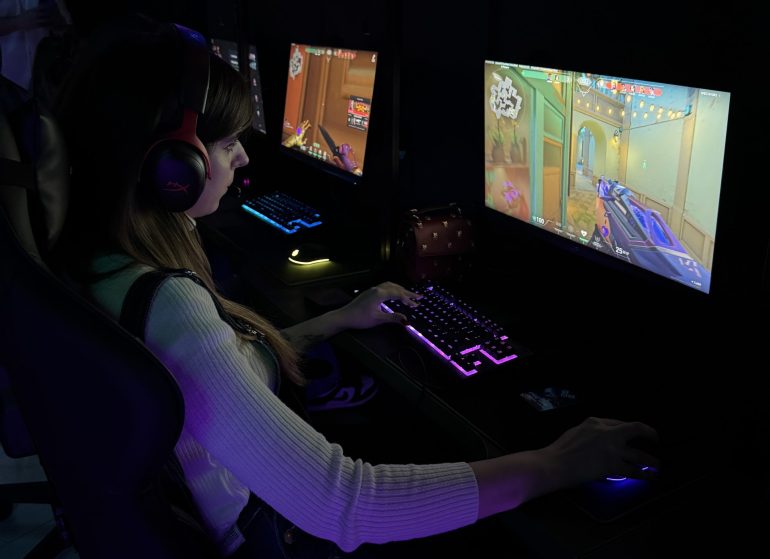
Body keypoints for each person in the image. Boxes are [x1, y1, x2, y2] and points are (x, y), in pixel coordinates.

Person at [54, 18, 659, 558]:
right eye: (228, 144)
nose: (243, 160)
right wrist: (556, 463)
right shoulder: (169, 306)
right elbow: (346, 505)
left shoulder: (102, 262)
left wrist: (334, 320)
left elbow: (212, 378)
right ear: (173, 170)